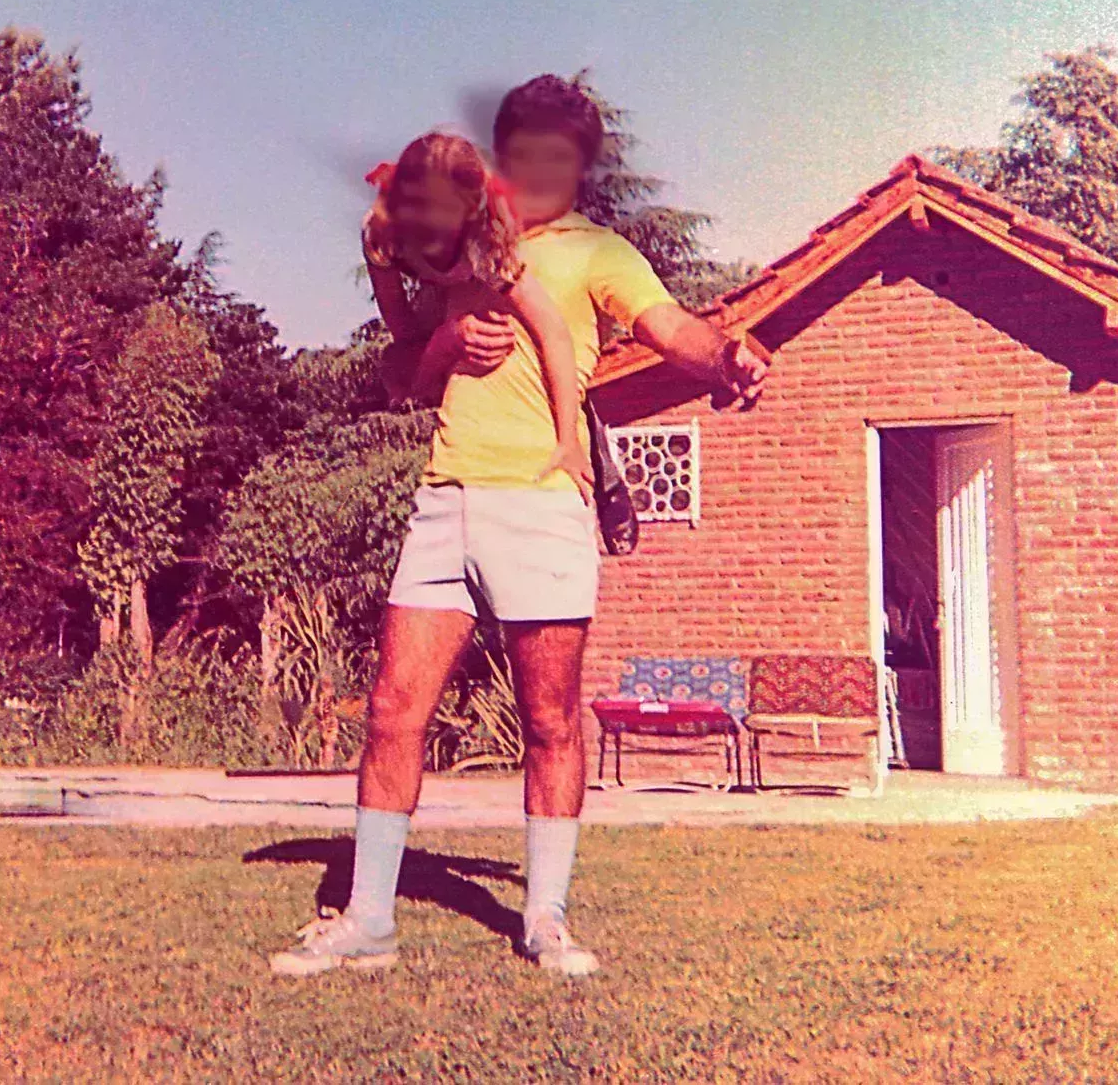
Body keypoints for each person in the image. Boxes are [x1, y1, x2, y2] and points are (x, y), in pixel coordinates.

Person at [269, 74, 770, 979]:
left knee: (549, 721)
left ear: (580, 166)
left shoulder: (597, 253)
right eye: (523, 147)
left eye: (559, 154)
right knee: (391, 709)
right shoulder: (454, 233)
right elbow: (399, 378)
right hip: (445, 498)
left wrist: (724, 357)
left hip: (541, 505)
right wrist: (444, 347)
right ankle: (369, 920)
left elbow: (671, 330)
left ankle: (545, 920)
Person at [361, 130, 590, 499]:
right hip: (438, 280)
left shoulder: (487, 245)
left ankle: (591, 429)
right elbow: (402, 332)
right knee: (396, 367)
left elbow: (553, 331)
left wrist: (569, 443)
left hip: (488, 263)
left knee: (521, 341)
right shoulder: (382, 234)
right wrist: (436, 356)